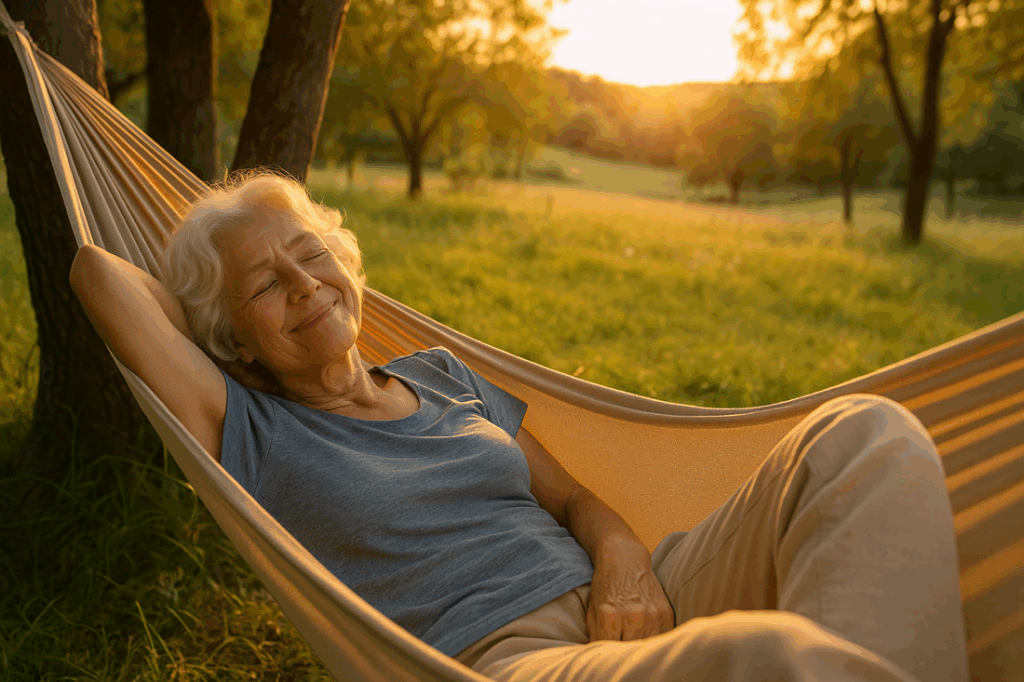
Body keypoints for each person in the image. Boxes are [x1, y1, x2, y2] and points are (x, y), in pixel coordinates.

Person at [69, 171, 968, 682]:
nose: (305, 285)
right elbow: (98, 273)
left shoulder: (441, 376)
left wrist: (623, 560)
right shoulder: (251, 426)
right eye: (266, 286)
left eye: (312, 256)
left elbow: (576, 498)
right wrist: (209, 298)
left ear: (347, 267)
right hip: (511, 662)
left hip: (639, 599)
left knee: (865, 438)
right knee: (768, 658)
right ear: (232, 338)